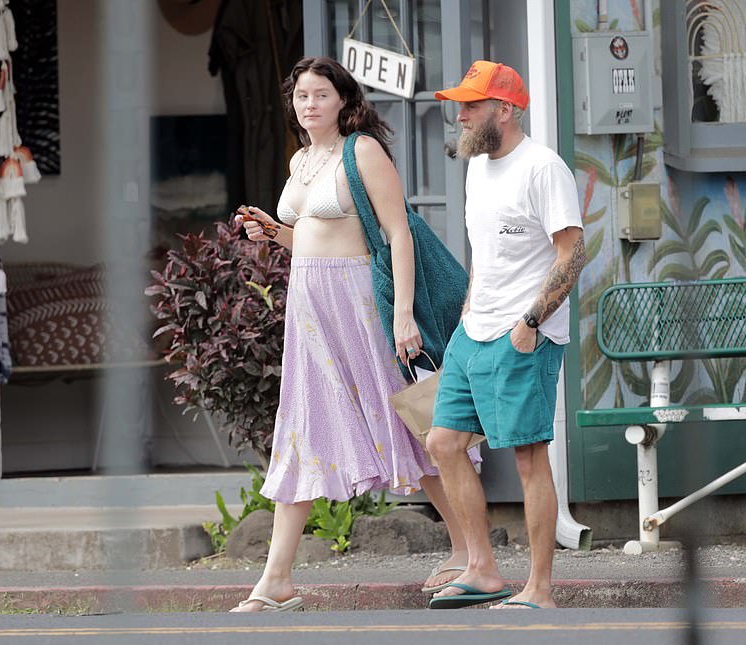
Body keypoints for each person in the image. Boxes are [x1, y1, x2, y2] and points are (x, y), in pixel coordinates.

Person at [230, 56, 472, 612]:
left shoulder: (361, 150)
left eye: (319, 95)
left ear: (343, 100)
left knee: (413, 421)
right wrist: (273, 233)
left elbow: (398, 234)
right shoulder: (301, 160)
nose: (308, 104)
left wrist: (403, 313)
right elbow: (309, 240)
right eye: (300, 97)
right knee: (302, 428)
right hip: (310, 309)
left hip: (362, 303)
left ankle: (468, 551)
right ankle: (276, 580)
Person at [425, 60, 586, 610]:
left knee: (528, 459)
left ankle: (539, 589)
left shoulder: (544, 168)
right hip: (474, 331)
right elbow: (488, 252)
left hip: (525, 334)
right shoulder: (477, 166)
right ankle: (482, 569)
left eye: (471, 106)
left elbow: (572, 254)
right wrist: (471, 310)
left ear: (507, 110)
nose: (460, 115)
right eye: (460, 105)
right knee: (442, 443)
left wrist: (530, 324)